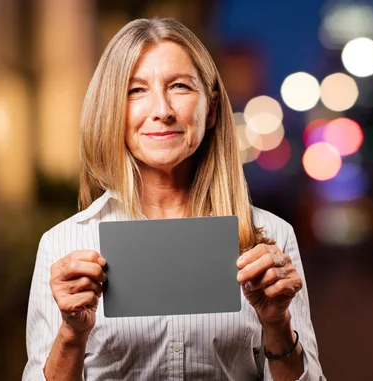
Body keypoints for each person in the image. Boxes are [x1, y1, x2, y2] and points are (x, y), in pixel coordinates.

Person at [23, 17, 326, 381]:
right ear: (112, 111)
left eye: (180, 86)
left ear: (211, 109)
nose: (162, 110)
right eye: (136, 90)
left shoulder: (272, 237)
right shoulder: (62, 245)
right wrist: (72, 333)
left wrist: (277, 324)